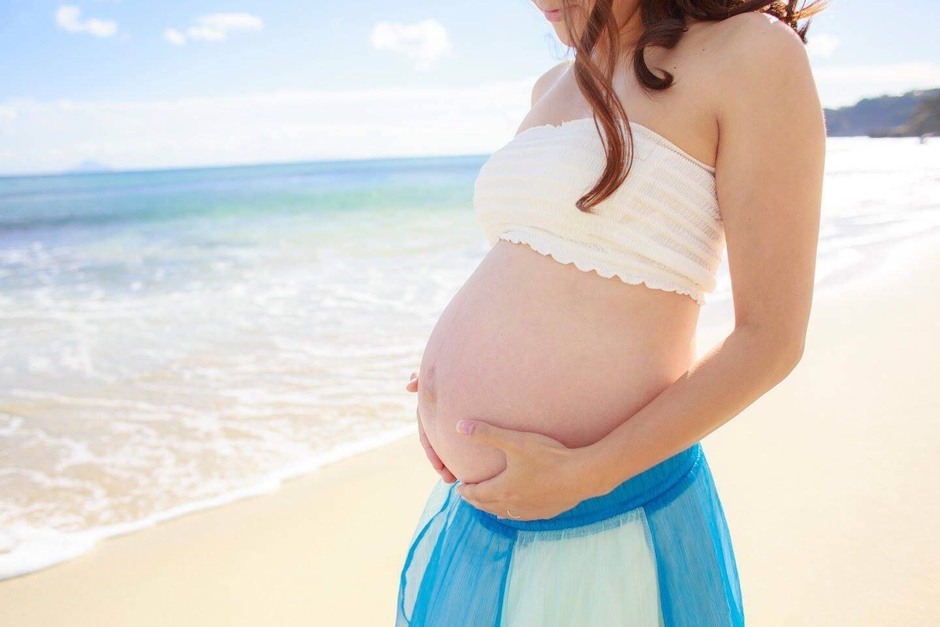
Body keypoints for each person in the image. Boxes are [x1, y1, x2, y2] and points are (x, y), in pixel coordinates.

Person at [398, 0, 827, 625]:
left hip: (609, 519)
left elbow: (771, 339)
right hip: (483, 516)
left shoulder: (751, 53)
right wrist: (440, 395)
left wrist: (587, 474)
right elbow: (541, 265)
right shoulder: (555, 84)